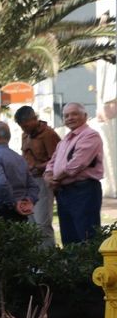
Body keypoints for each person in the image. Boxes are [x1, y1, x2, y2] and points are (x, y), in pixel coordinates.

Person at [45, 102, 104, 244]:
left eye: (74, 114)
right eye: (66, 116)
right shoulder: (65, 140)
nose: (70, 118)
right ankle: (73, 266)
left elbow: (77, 164)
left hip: (83, 190)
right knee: (69, 236)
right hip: (64, 191)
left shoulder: (90, 135)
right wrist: (48, 176)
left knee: (86, 235)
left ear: (85, 116)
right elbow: (51, 162)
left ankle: (90, 267)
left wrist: (55, 179)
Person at [15, 105, 60, 246]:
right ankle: (35, 261)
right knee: (31, 223)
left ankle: (49, 260)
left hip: (42, 181)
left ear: (35, 119)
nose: (25, 129)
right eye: (22, 127)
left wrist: (37, 167)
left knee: (42, 223)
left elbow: (57, 160)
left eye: (27, 126)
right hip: (29, 182)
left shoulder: (49, 134)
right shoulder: (25, 135)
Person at [0, 121, 38, 222]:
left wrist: (13, 204)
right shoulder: (19, 158)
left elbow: (1, 183)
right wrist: (29, 200)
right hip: (19, 214)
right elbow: (34, 186)